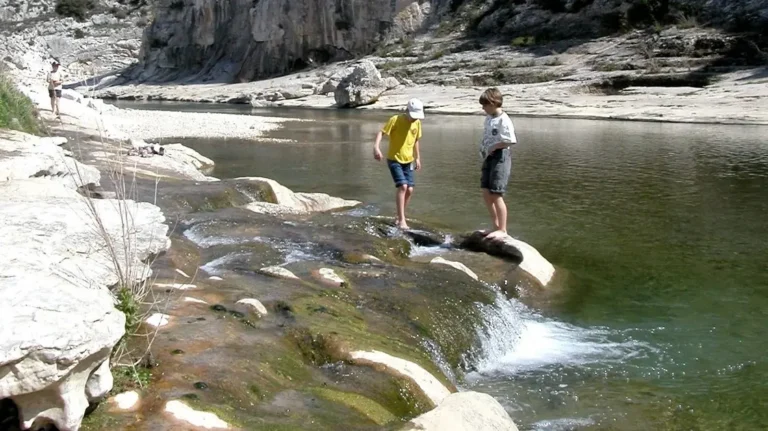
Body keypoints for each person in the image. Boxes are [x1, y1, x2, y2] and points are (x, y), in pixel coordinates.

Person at [373, 98, 424, 229]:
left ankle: (398, 216)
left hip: (409, 160)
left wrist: (418, 157)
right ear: (407, 110)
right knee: (403, 186)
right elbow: (381, 132)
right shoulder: (395, 120)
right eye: (413, 116)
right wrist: (376, 147)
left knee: (410, 189)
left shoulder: (417, 123)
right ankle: (402, 220)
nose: (414, 119)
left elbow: (416, 140)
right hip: (394, 159)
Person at [478, 88, 517, 239]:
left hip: (500, 156)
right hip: (488, 157)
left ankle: (503, 229)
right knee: (486, 191)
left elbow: (510, 140)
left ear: (493, 103)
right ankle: (494, 225)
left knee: (496, 193)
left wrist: (495, 147)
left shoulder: (504, 119)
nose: (483, 108)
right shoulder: (489, 118)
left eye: (485, 105)